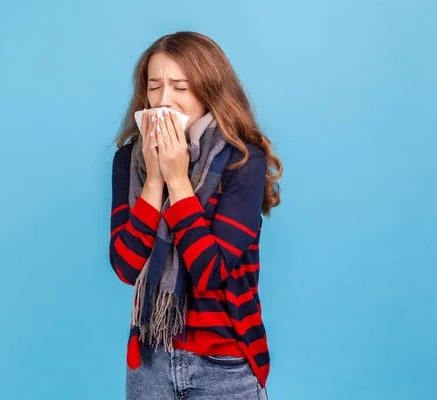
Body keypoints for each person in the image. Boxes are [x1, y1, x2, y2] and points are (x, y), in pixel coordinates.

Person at [109, 31, 282, 400]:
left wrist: (177, 178)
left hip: (226, 366)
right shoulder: (130, 161)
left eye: (179, 87)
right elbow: (125, 267)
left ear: (208, 91)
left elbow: (210, 272)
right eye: (154, 87)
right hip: (150, 360)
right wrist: (155, 179)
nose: (163, 101)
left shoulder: (242, 161)